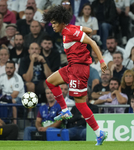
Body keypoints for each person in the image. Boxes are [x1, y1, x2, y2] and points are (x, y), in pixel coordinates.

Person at [43, 5, 107, 145]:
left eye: (54, 23)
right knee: (50, 82)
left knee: (80, 104)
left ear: (61, 21)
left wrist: (101, 61)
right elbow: (89, 30)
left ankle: (99, 133)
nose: (52, 26)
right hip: (72, 66)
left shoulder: (70, 31)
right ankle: (65, 110)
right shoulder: (70, 29)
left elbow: (92, 42)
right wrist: (79, 28)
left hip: (79, 70)